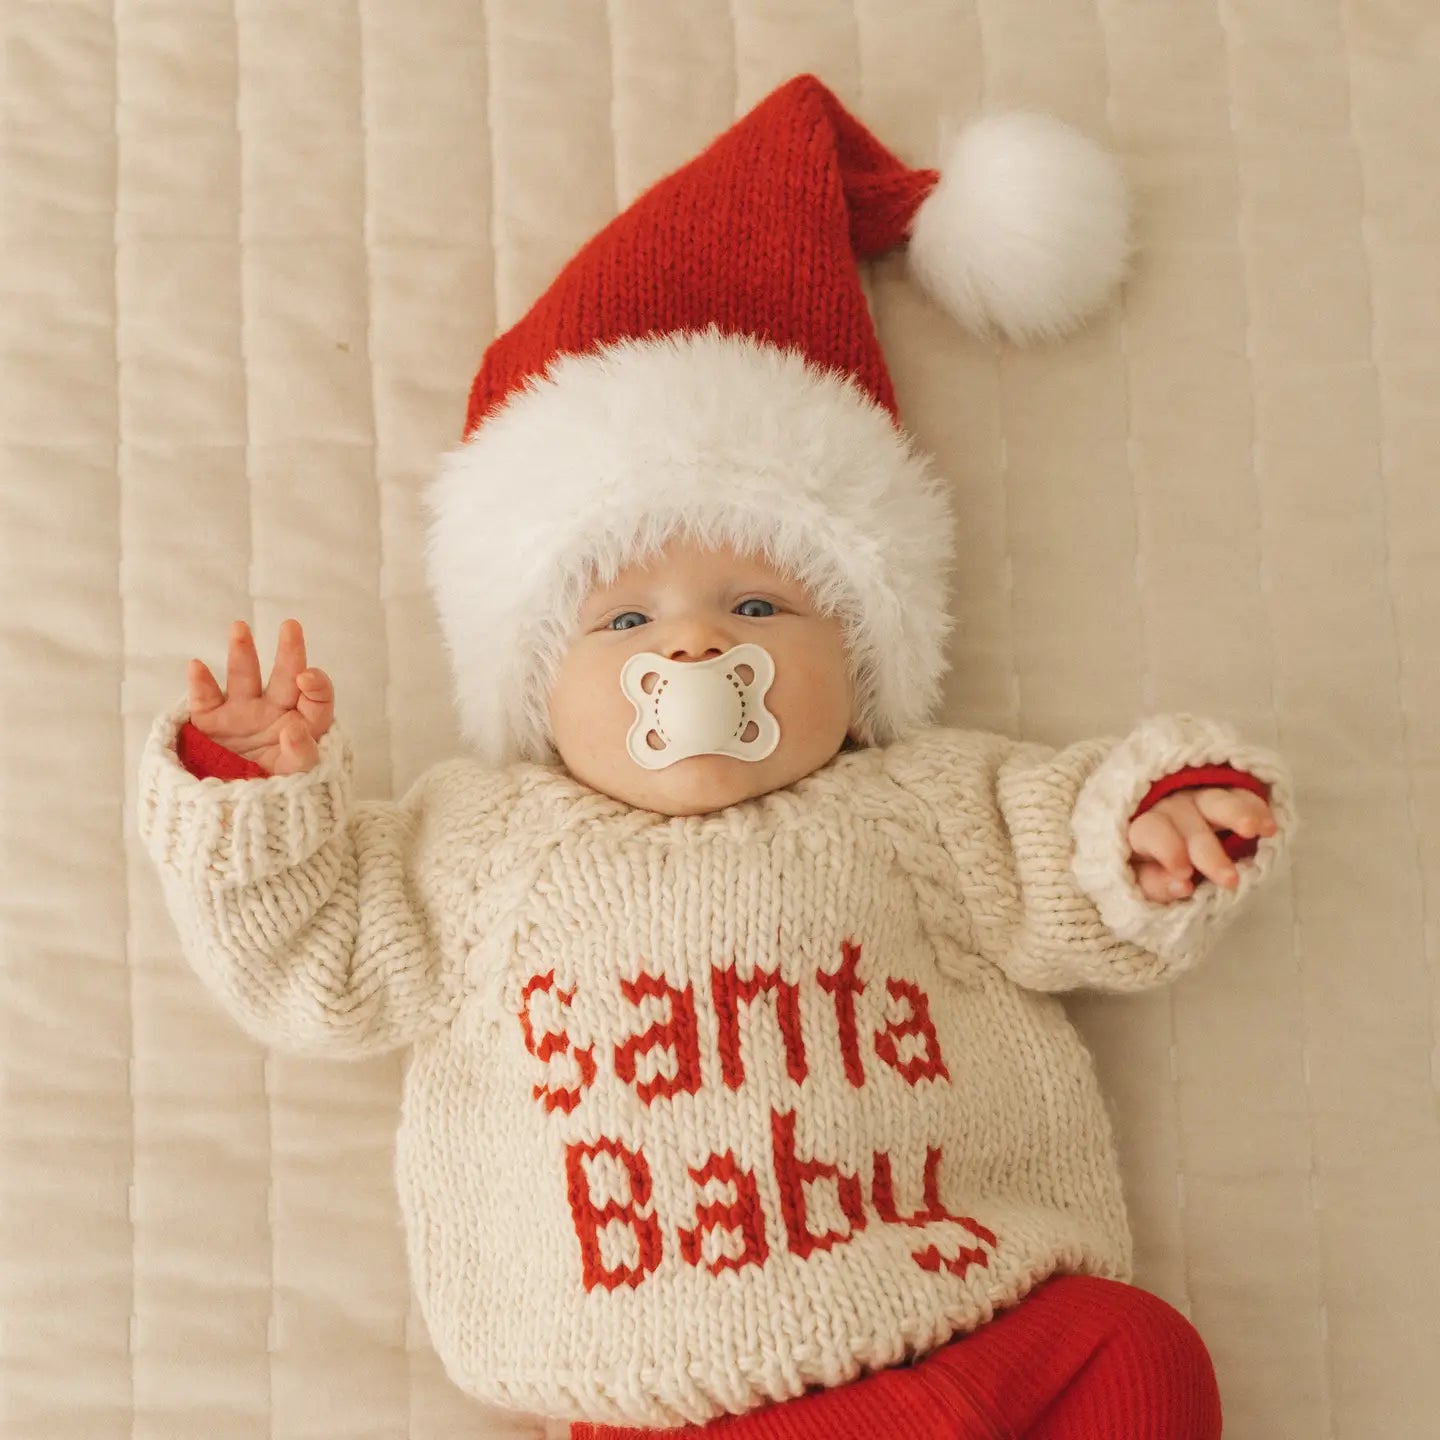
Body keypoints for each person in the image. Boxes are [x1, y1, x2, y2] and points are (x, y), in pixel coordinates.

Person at [138, 76, 1295, 1438]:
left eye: (758, 605)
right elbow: (313, 963)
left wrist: (1153, 832)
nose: (692, 645)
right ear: (535, 690)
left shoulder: (920, 805)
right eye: (625, 621)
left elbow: (1061, 851)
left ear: (858, 670)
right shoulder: (482, 845)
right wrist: (253, 800)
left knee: (1139, 1351)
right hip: (672, 1397)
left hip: (974, 1316)